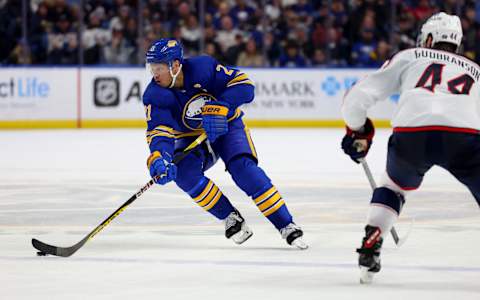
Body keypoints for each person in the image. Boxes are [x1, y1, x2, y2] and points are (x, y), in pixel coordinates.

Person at [341, 12, 480, 283]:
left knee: (392, 187)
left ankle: (373, 235)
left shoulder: (410, 56)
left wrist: (358, 130)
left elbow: (356, 96)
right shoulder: (475, 70)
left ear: (429, 38)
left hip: (412, 134)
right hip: (463, 137)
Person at [142, 38, 308, 249]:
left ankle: (286, 224)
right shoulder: (155, 94)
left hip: (226, 126)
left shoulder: (202, 68)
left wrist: (223, 106)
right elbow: (160, 132)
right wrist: (160, 157)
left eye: (159, 67)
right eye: (152, 68)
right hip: (192, 138)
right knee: (184, 175)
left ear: (175, 65)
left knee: (244, 170)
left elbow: (244, 85)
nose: (154, 74)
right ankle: (229, 217)